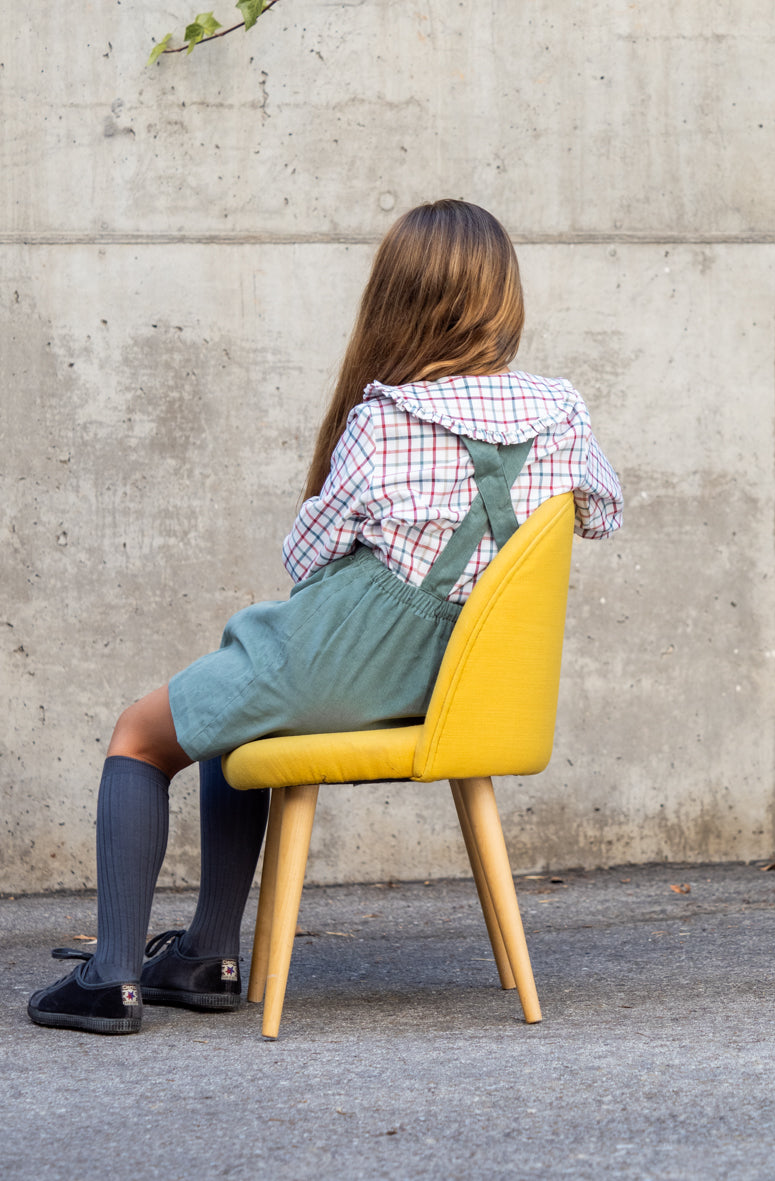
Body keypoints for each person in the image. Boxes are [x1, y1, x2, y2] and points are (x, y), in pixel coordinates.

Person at [28, 199, 623, 1035]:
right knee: (233, 724)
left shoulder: (387, 417)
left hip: (350, 661)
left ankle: (110, 976)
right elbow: (595, 517)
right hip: (458, 682)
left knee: (141, 734)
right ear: (504, 300)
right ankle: (206, 952)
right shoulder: (562, 415)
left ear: (396, 301)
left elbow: (308, 558)